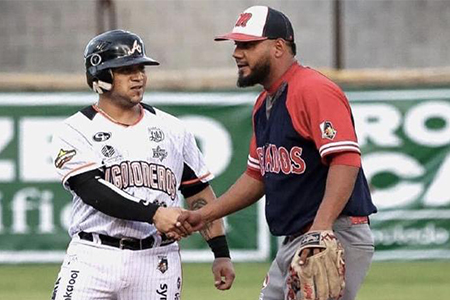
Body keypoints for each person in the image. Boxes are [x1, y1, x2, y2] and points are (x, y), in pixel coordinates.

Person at [177, 6, 377, 300]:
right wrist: (206, 214)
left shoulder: (313, 90)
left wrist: (321, 229)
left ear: (278, 47)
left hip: (334, 232)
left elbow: (345, 160)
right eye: (236, 45)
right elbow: (256, 176)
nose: (236, 53)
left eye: (248, 45)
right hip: (298, 237)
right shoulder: (264, 103)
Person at [49, 29, 234, 300]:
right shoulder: (75, 129)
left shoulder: (172, 129)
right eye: (126, 70)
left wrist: (221, 253)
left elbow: (198, 193)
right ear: (101, 76)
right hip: (94, 255)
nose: (138, 76)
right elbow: (92, 190)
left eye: (141, 68)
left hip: (157, 259)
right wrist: (156, 213)